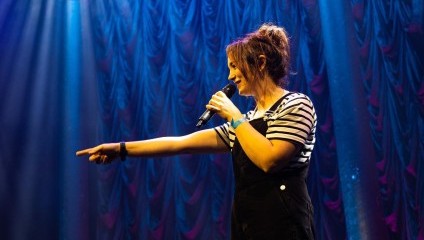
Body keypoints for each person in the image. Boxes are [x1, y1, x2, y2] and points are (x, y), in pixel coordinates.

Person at [77, 23, 317, 240]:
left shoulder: (296, 104)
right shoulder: (245, 122)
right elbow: (180, 143)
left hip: (285, 225)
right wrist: (121, 149)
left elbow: (269, 159)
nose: (230, 76)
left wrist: (233, 117)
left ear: (261, 62)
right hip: (248, 225)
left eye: (234, 67)